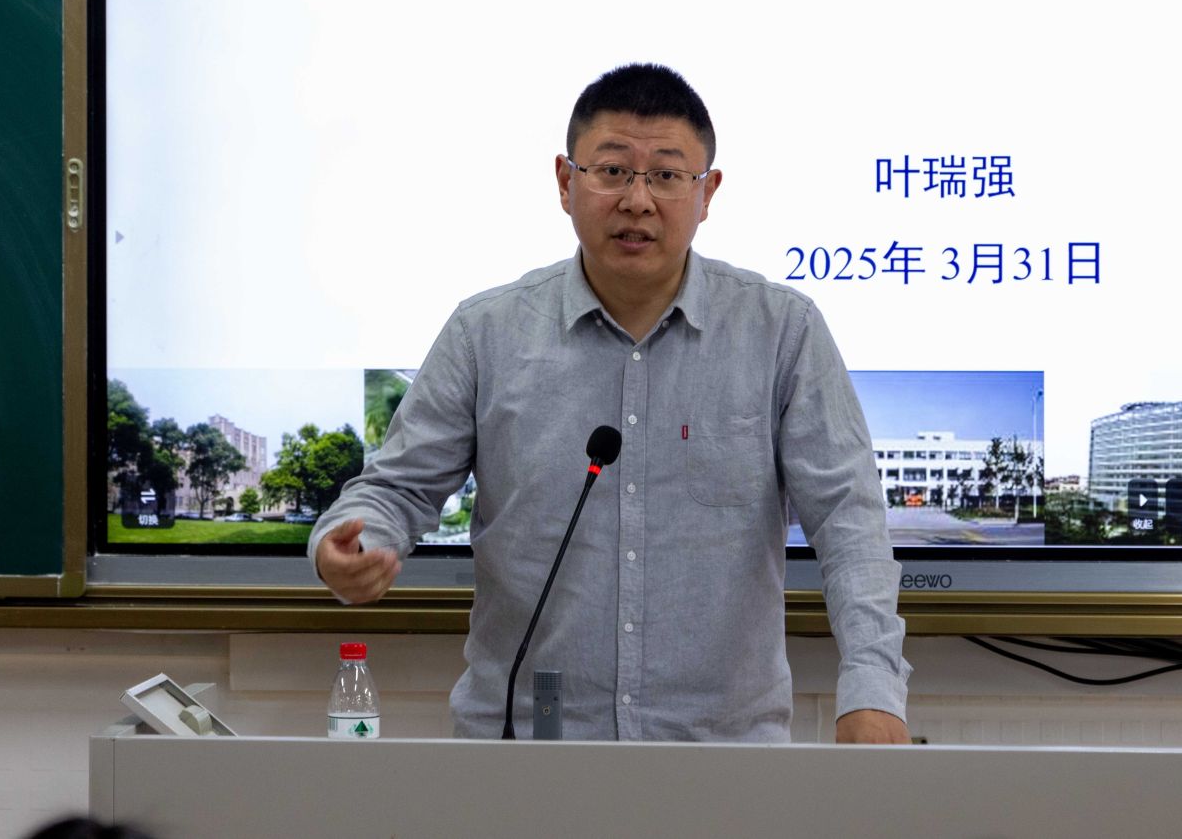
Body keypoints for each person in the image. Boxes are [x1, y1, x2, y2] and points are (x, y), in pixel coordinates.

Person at [310, 63, 910, 743]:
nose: (638, 200)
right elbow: (398, 487)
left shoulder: (782, 331)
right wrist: (352, 542)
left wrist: (873, 687)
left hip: (723, 753)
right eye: (613, 171)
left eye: (667, 174)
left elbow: (849, 521)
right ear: (566, 182)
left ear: (707, 192)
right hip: (527, 750)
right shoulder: (486, 332)